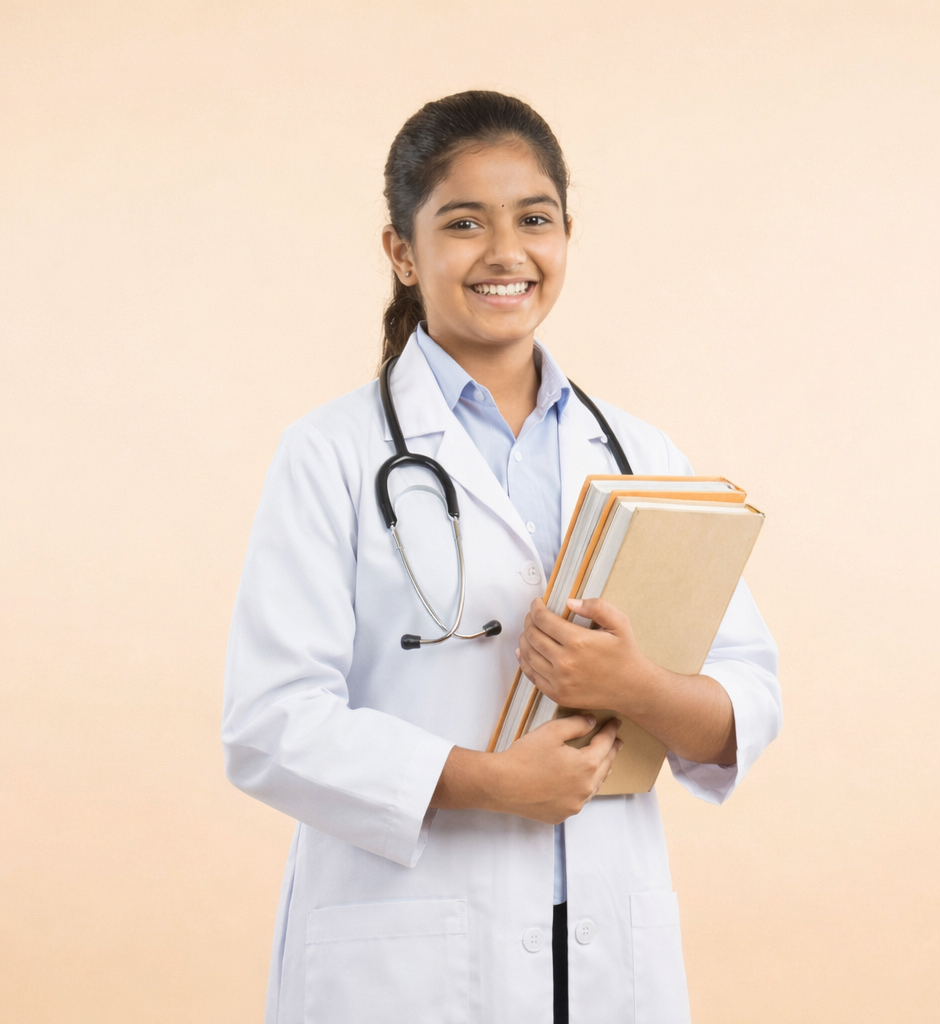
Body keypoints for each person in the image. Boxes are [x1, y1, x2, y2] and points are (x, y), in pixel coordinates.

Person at [222, 90, 781, 1024]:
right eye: (463, 222)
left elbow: (746, 699)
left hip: (604, 947)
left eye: (534, 219)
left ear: (566, 236)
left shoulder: (641, 454)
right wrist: (489, 783)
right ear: (403, 252)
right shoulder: (330, 453)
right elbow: (270, 724)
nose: (505, 252)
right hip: (412, 951)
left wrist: (638, 687)